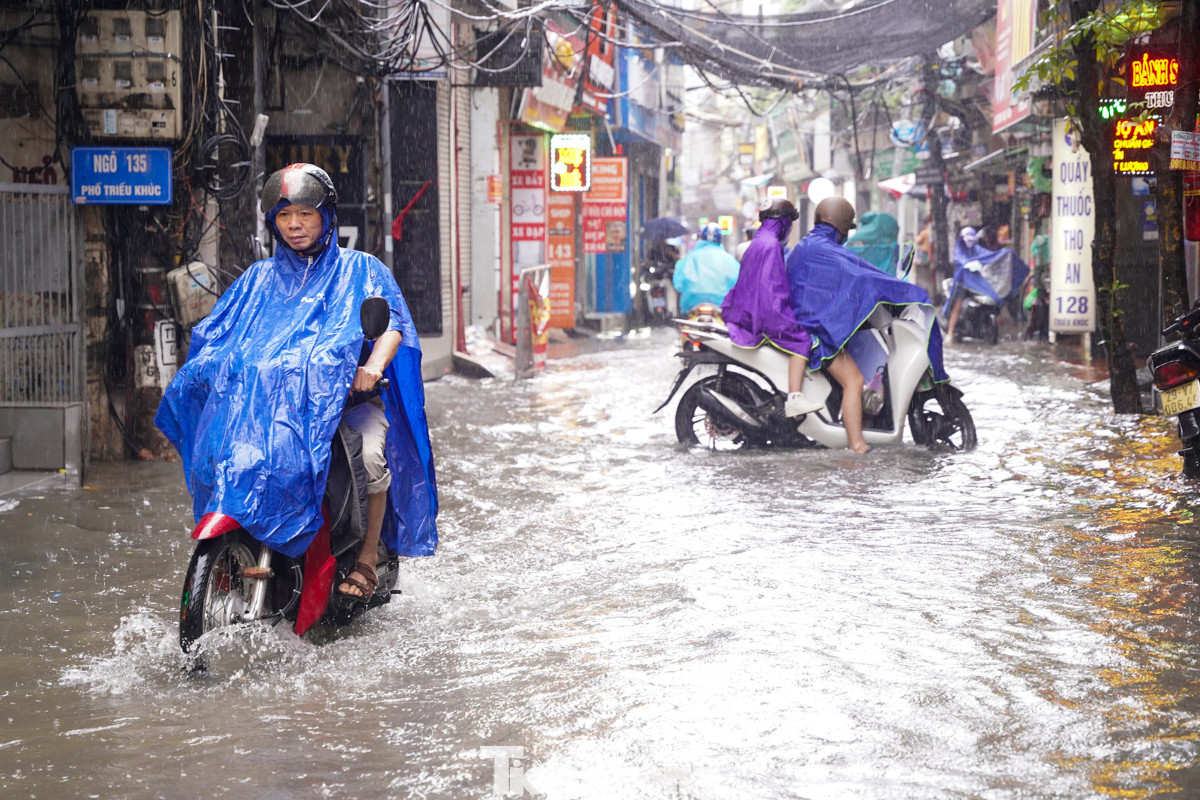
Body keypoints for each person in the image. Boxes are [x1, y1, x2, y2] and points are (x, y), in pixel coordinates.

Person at [155, 163, 438, 605]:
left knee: (369, 458)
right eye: (284, 217)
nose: (294, 225)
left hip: (348, 406)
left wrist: (372, 367)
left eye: (304, 214)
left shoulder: (362, 270)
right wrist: (205, 368)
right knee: (229, 458)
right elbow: (221, 334)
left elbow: (392, 328)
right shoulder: (257, 279)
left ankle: (365, 557)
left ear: (326, 217)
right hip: (271, 413)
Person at [786, 196, 951, 454]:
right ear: (841, 224)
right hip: (815, 330)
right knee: (854, 380)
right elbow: (863, 278)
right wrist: (903, 291)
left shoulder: (809, 246)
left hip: (804, 323)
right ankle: (857, 445)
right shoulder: (827, 250)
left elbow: (843, 282)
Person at [720, 197, 823, 418]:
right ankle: (794, 397)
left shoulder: (759, 241)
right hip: (763, 315)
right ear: (783, 222)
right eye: (790, 223)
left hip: (745, 310)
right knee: (802, 340)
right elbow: (772, 289)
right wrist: (788, 318)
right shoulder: (771, 246)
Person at [943, 225, 1030, 342]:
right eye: (967, 240)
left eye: (971, 241)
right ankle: (950, 332)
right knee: (957, 306)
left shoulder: (977, 249)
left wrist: (1004, 253)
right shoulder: (959, 250)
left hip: (977, 283)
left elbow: (988, 256)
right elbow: (960, 260)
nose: (970, 243)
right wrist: (968, 264)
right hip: (963, 282)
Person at [673, 222, 740, 314]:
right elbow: (738, 284)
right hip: (721, 305)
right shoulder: (729, 260)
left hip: (691, 304)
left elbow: (678, 282)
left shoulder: (690, 258)